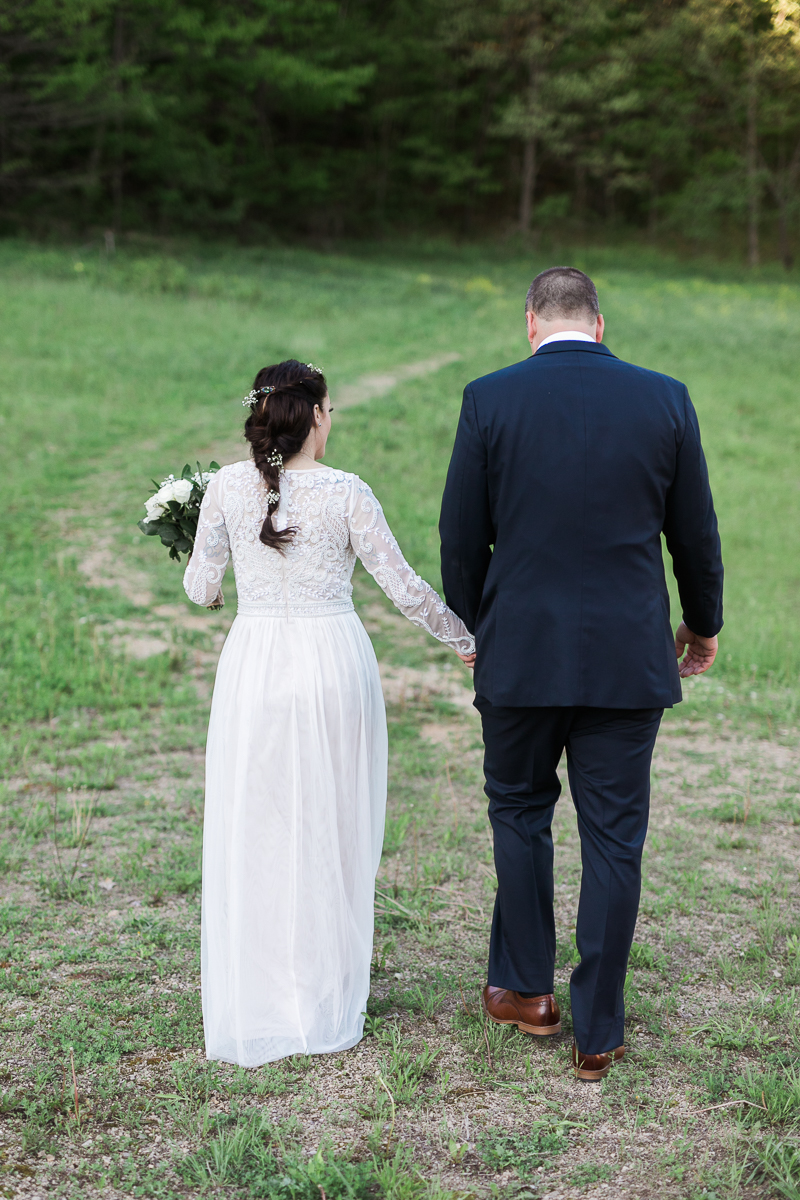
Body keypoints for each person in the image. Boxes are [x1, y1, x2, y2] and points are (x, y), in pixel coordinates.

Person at [439, 267, 723, 1081]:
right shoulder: (665, 398)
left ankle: (527, 992)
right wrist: (700, 626)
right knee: (614, 840)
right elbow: (695, 534)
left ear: (531, 323)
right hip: (627, 659)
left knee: (520, 810)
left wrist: (476, 625)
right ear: (599, 325)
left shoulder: (489, 398)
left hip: (521, 653)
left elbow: (461, 536)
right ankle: (598, 1031)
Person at [183, 359, 474, 1067]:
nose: (333, 419)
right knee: (330, 823)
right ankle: (320, 994)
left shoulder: (224, 485)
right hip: (330, 661)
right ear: (313, 415)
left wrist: (214, 582)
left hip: (254, 663)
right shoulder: (347, 492)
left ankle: (261, 994)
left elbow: (199, 587)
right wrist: (465, 639)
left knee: (258, 823)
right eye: (332, 409)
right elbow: (403, 588)